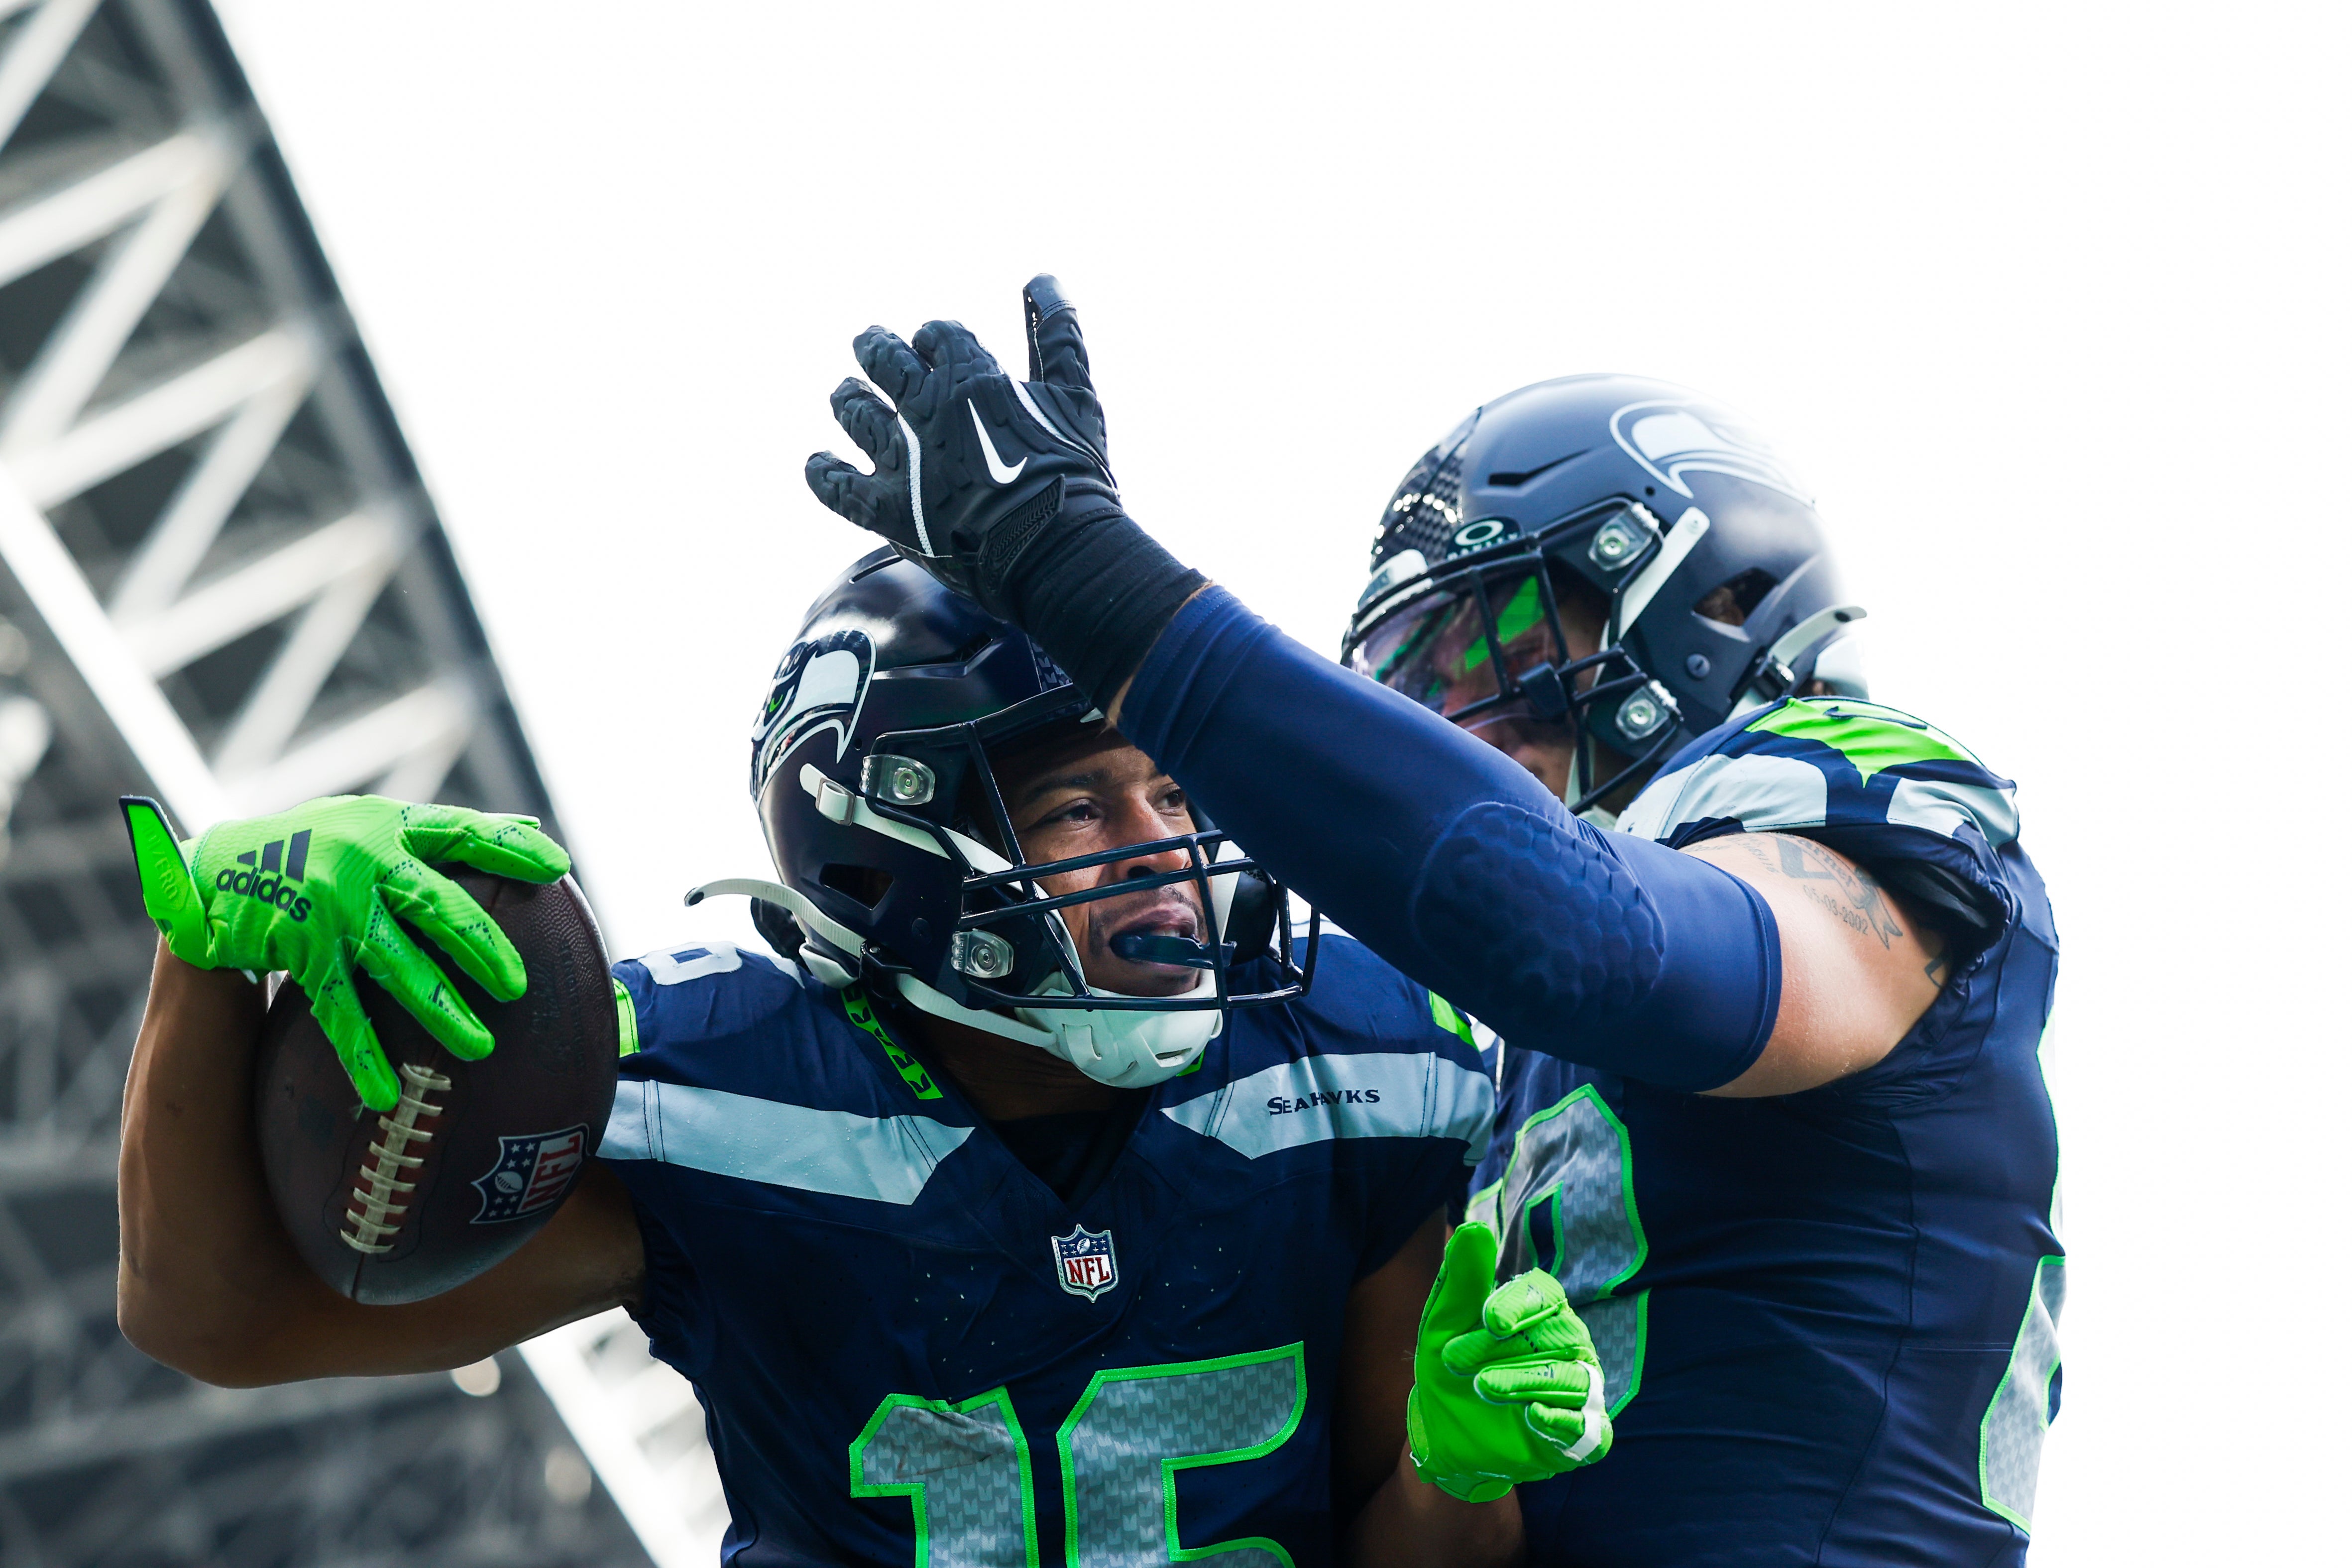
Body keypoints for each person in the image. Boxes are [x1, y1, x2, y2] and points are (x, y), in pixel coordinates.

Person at [803, 279, 2064, 1565]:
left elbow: (1602, 945)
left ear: (1719, 603)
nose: (1456, 727)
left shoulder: (1851, 793)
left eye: (1497, 646)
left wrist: (1087, 574)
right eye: (1417, 688)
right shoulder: (1504, 1059)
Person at [114, 552, 1617, 1568]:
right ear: (883, 850)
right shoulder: (722, 1095)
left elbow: (1413, 1550)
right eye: (1078, 808)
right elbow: (216, 1319)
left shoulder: (1357, 1061)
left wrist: (1463, 1477)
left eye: (1172, 794)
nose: (1163, 854)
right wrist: (207, 956)